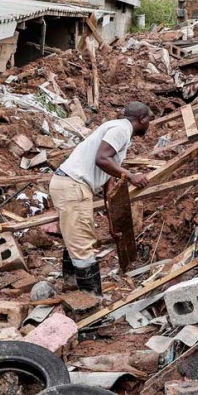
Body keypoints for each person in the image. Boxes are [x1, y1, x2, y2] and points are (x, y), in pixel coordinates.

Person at [49, 102, 152, 295]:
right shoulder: (121, 130)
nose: (149, 125)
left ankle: (71, 287)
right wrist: (131, 176)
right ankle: (90, 302)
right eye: (149, 120)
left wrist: (111, 221)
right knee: (82, 245)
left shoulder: (117, 130)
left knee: (75, 238)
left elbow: (108, 182)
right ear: (142, 119)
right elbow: (102, 159)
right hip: (73, 186)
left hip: (71, 185)